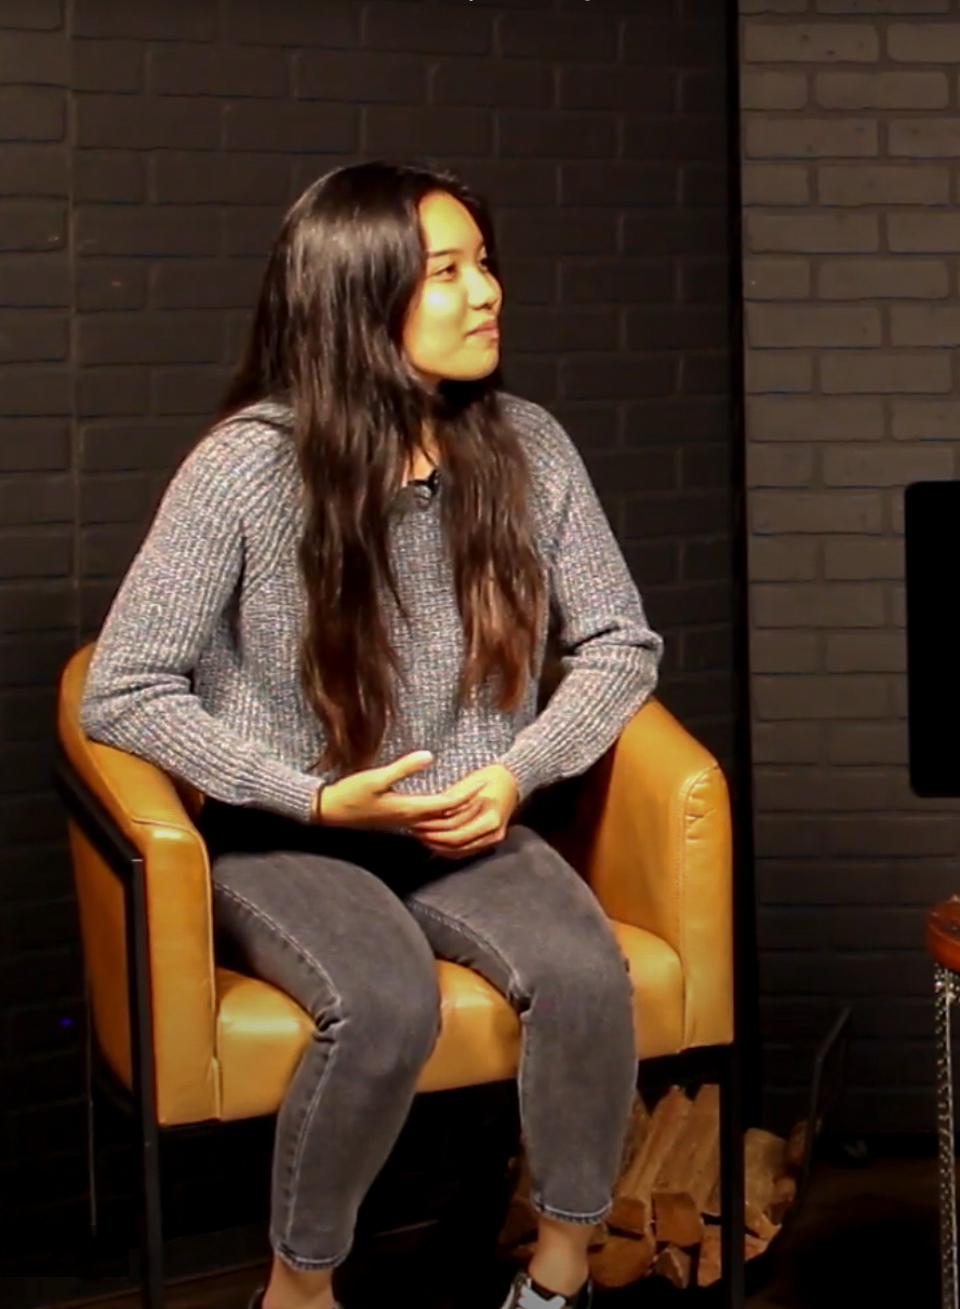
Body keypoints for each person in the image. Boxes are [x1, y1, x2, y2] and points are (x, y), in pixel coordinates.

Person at [80, 160, 663, 1309]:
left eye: (483, 261)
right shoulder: (246, 464)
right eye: (446, 271)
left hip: (467, 813)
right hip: (286, 830)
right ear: (358, 295)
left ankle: (556, 1276)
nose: (485, 290)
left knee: (587, 971)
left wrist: (516, 771)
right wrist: (306, 795)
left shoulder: (530, 447)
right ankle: (300, 1289)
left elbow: (621, 645)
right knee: (385, 1003)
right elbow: (124, 685)